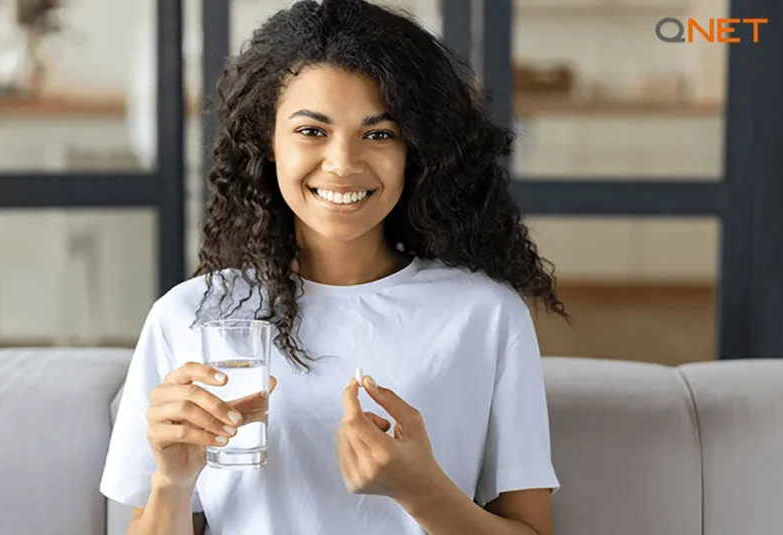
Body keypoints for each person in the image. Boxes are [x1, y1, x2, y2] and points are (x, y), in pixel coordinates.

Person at [100, 0, 568, 533]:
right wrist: (172, 482)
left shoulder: (486, 315)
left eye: (378, 133)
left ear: (416, 150)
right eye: (311, 131)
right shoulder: (188, 317)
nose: (343, 163)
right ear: (267, 143)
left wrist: (424, 492)